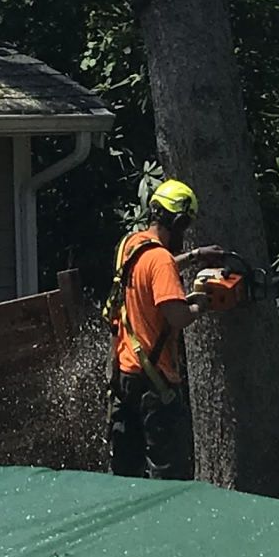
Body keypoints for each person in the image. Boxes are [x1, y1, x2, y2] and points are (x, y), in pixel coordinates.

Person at [105, 178, 217, 480]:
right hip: (156, 384)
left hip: (125, 376)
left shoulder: (131, 246)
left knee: (126, 469)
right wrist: (201, 304)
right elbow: (177, 317)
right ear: (178, 221)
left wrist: (194, 257)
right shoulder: (161, 259)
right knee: (166, 472)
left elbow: (154, 270)